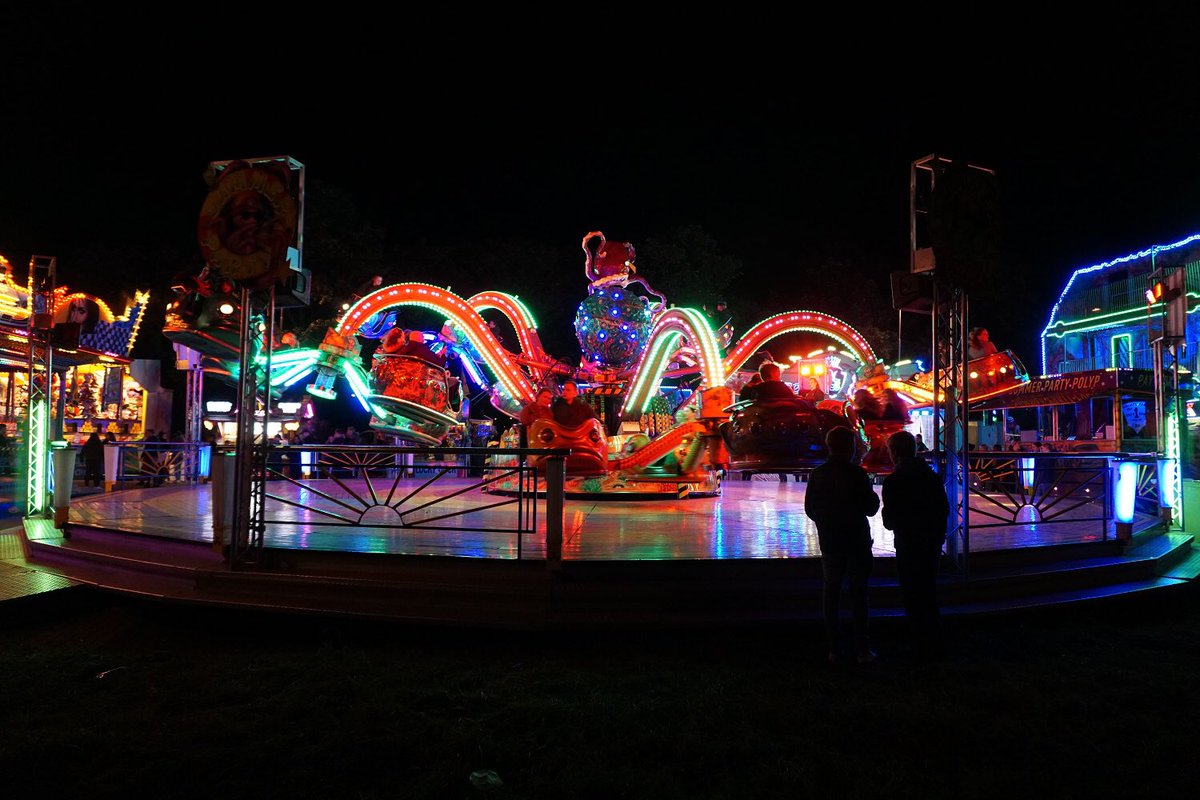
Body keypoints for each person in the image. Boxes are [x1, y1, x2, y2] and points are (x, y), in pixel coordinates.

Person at [804, 425, 880, 664]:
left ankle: (834, 648)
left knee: (831, 593)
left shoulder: (818, 474)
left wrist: (826, 520)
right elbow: (870, 507)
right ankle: (862, 648)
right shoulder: (857, 474)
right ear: (850, 447)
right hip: (856, 540)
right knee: (859, 594)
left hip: (831, 540)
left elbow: (810, 508)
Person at [882, 430, 950, 659]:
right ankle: (936, 639)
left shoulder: (894, 482)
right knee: (928, 590)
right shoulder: (932, 478)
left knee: (911, 592)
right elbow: (943, 510)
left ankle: (918, 641)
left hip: (908, 542)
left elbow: (889, 521)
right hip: (930, 541)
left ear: (894, 453)